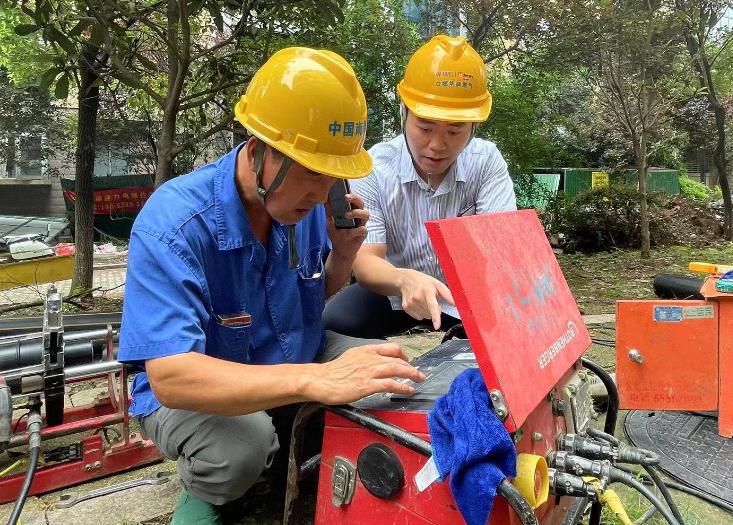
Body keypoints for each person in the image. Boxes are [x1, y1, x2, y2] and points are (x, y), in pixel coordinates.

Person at [117, 47, 425, 525]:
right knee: (243, 446)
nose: (323, 193)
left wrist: (343, 255)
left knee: (390, 371)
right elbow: (172, 376)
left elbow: (313, 297)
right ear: (258, 147)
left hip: (290, 353)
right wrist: (315, 380)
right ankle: (204, 498)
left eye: (333, 178)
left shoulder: (303, 209)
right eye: (310, 172)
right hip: (194, 388)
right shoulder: (174, 223)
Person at [322, 35, 517, 340]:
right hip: (395, 292)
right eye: (425, 128)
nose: (437, 145)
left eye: (455, 131)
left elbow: (504, 248)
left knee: (502, 335)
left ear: (473, 127)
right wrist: (403, 279)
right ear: (404, 113)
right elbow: (366, 260)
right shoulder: (375, 167)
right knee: (336, 321)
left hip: (469, 298)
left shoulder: (486, 162)